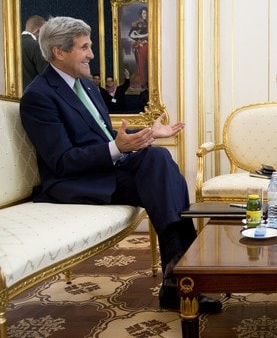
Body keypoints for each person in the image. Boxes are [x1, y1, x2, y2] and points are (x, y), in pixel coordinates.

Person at [19, 16, 221, 313]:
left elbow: (103, 137)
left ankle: (177, 275)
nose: (91, 54)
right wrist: (117, 147)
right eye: (84, 47)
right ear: (59, 52)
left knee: (159, 158)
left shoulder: (85, 88)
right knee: (162, 170)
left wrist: (148, 135)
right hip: (75, 182)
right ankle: (182, 274)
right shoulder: (39, 96)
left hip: (107, 170)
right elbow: (62, 162)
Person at [22, 15, 49, 91]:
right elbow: (46, 75)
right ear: (39, 31)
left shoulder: (10, 45)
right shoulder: (36, 46)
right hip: (32, 97)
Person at [129, 7, 148, 89]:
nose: (145, 15)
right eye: (144, 13)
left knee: (149, 65)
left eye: (146, 13)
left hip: (148, 46)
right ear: (141, 14)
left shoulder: (149, 23)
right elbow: (131, 35)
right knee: (141, 65)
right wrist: (144, 36)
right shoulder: (137, 23)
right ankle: (143, 83)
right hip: (141, 47)